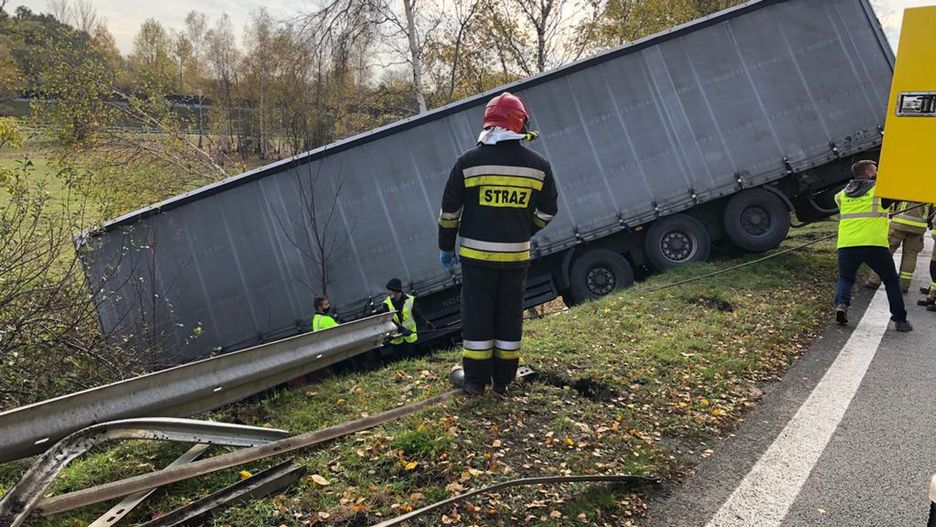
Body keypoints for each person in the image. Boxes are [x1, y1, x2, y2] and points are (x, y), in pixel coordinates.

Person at [438, 92, 559, 396]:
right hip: (516, 258)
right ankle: (503, 381)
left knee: (478, 318)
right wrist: (523, 229)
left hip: (477, 260)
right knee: (508, 318)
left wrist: (445, 246)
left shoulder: (467, 162)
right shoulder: (538, 166)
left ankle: (475, 382)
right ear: (520, 124)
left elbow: (449, 213)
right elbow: (548, 211)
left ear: (488, 123)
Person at [834, 160, 912, 331]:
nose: (878, 173)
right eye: (876, 170)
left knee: (846, 278)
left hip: (847, 244)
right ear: (869, 173)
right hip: (874, 244)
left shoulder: (840, 195)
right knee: (891, 280)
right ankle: (900, 320)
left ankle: (841, 305)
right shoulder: (880, 192)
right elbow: (903, 192)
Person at [864, 201, 932, 292]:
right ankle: (903, 285)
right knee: (911, 255)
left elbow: (890, 202)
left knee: (886, 251)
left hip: (899, 224)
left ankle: (874, 281)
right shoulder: (931, 190)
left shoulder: (902, 187)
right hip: (919, 228)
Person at [378, 278, 419, 354]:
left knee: (412, 357)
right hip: (396, 339)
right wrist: (402, 329)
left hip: (410, 337)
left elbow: (418, 315)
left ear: (395, 290)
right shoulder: (386, 304)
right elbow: (388, 321)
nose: (388, 292)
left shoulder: (410, 299)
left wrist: (426, 322)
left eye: (390, 290)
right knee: (400, 359)